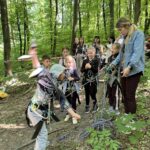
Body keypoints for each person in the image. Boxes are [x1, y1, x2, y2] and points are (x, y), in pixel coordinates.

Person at [26, 44, 81, 150]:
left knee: (43, 132)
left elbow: (62, 100)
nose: (64, 75)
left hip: (42, 111)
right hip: (35, 111)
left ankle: (43, 143)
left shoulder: (55, 85)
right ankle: (42, 145)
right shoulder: (45, 77)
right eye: (62, 73)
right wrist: (34, 56)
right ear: (56, 73)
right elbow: (38, 67)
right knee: (42, 135)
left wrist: (73, 113)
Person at [111, 17, 145, 114]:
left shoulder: (138, 34)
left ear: (126, 26)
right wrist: (113, 64)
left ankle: (132, 119)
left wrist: (129, 67)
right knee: (124, 94)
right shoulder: (123, 38)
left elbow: (137, 53)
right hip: (124, 70)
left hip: (134, 70)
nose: (120, 32)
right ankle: (127, 114)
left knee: (130, 95)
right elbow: (121, 54)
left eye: (120, 29)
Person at [62, 55, 80, 124]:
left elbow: (78, 78)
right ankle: (68, 114)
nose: (69, 64)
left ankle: (74, 116)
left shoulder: (74, 70)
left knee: (73, 102)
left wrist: (73, 78)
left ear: (72, 63)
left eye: (70, 62)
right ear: (65, 63)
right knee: (67, 102)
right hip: (66, 89)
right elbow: (60, 79)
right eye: (67, 62)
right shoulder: (63, 70)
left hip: (73, 89)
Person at [81, 47, 99, 113]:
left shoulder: (96, 60)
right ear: (87, 53)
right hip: (86, 80)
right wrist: (85, 68)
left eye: (91, 53)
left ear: (94, 53)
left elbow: (96, 70)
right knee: (87, 93)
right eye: (89, 53)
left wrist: (91, 67)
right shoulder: (85, 61)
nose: (90, 54)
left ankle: (95, 104)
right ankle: (87, 105)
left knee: (92, 93)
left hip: (93, 80)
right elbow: (81, 70)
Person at [106, 43, 121, 113]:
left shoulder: (119, 57)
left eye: (114, 48)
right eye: (112, 48)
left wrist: (115, 71)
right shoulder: (109, 58)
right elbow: (108, 66)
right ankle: (111, 106)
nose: (112, 50)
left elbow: (120, 67)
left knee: (115, 93)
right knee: (110, 92)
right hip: (109, 78)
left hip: (116, 79)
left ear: (118, 49)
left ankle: (116, 108)